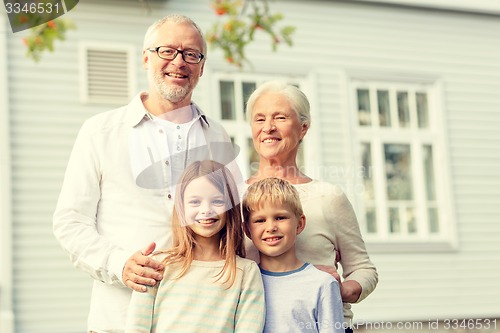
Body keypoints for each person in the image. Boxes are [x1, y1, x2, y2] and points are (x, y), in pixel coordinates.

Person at [53, 14, 240, 333]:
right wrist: (119, 263)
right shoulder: (100, 132)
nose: (179, 62)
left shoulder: (218, 138)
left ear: (202, 66)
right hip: (119, 319)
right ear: (145, 58)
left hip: (198, 320)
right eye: (167, 51)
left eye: (191, 54)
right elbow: (70, 221)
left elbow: (234, 227)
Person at [244, 80, 378, 331]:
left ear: (303, 128)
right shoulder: (235, 197)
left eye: (280, 117)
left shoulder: (328, 197)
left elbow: (363, 268)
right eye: (259, 119)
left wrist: (341, 290)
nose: (268, 128)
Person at [125, 160, 265, 333]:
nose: (206, 210)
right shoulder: (157, 266)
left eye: (217, 201)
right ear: (182, 207)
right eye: (195, 202)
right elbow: (137, 327)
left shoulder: (246, 272)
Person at [243, 177, 344, 333]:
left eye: (280, 217)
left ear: (300, 224)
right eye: (260, 220)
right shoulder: (243, 282)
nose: (271, 227)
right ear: (247, 230)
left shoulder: (322, 284)